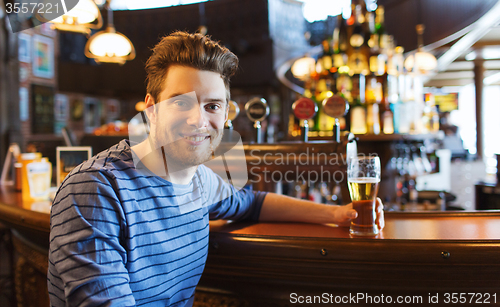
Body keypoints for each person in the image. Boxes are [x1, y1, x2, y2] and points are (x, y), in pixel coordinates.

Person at [47, 31, 384, 307]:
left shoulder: (199, 181)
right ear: (151, 110)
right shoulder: (96, 189)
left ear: (224, 116)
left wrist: (338, 214)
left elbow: (253, 202)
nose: (199, 119)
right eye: (181, 102)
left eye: (211, 106)